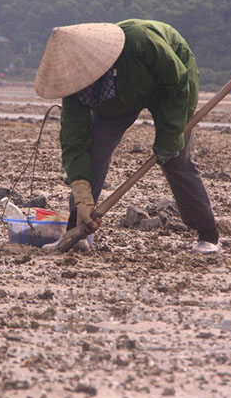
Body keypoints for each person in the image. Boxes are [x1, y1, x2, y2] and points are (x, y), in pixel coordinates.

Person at [34, 19, 220, 254]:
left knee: (175, 158)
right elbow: (74, 141)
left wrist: (169, 137)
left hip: (171, 87)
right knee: (94, 153)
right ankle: (76, 229)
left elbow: (178, 82)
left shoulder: (140, 41)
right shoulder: (76, 88)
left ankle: (208, 234)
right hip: (117, 100)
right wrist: (82, 196)